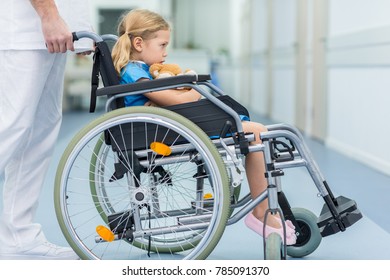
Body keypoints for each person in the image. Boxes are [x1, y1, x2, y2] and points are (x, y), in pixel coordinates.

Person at [111, 9, 297, 245]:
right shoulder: (135, 73)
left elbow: (168, 97)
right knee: (257, 132)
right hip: (167, 132)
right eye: (162, 45)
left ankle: (263, 210)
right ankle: (260, 213)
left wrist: (185, 87)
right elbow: (178, 100)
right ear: (138, 43)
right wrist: (190, 87)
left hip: (173, 126)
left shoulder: (141, 71)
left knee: (255, 131)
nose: (166, 53)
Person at [0, 0, 92, 259]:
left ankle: (20, 236)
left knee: (39, 135)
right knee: (11, 128)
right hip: (25, 32)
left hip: (53, 36)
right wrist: (49, 15)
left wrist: (80, 29)